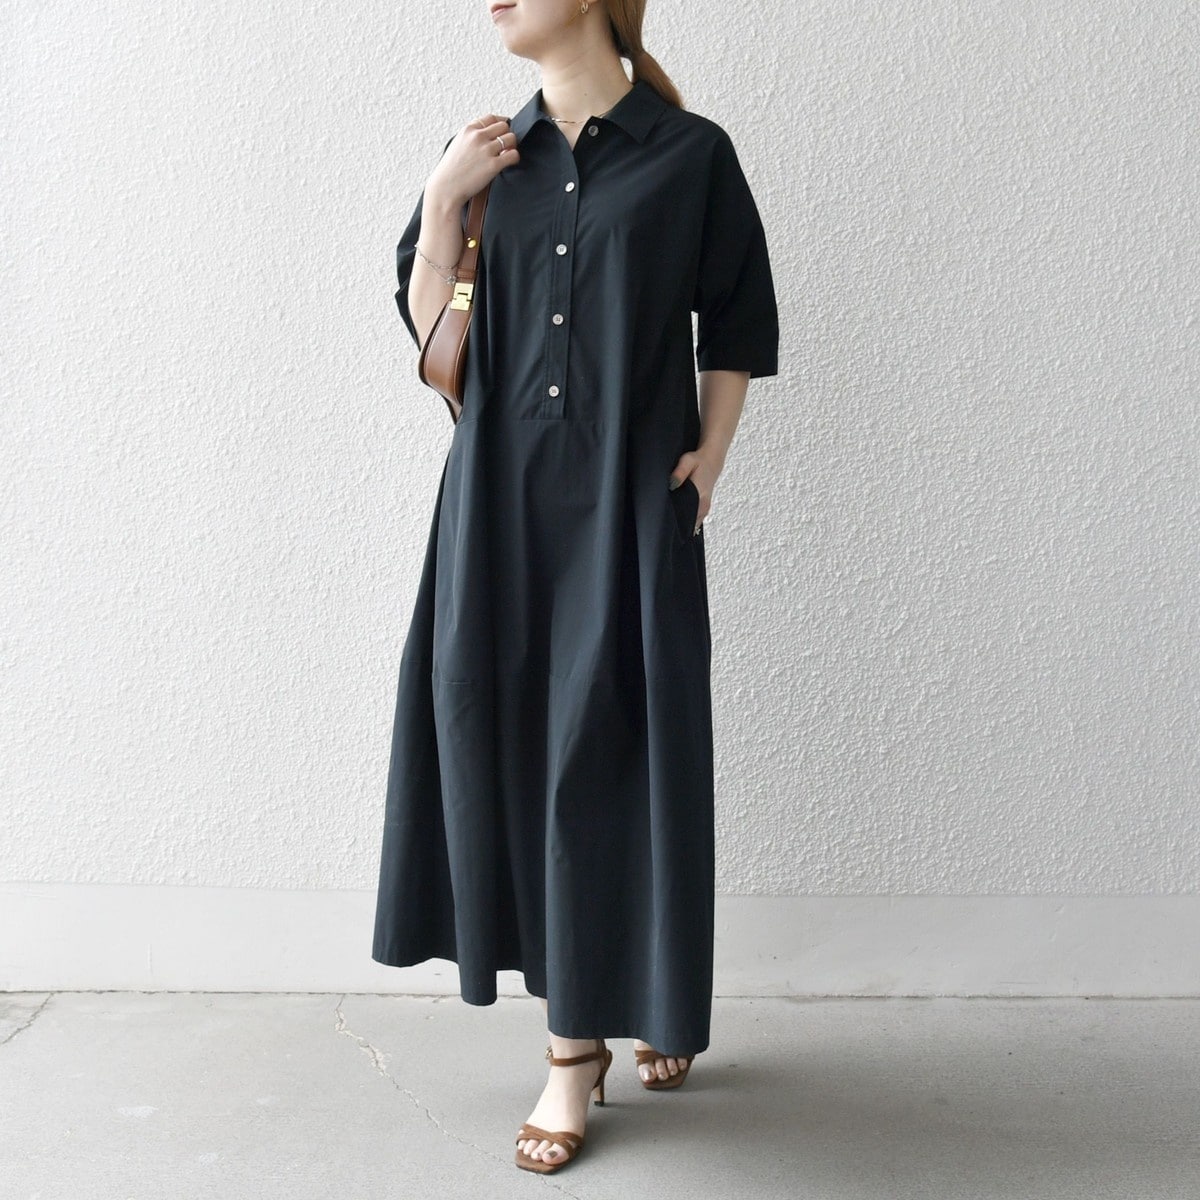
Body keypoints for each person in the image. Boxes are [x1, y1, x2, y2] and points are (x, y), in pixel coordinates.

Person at [372, 0, 779, 1175]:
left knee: (622, 751)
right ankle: (581, 1039)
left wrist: (711, 456)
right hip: (498, 506)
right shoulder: (484, 155)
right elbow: (437, 351)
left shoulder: (690, 155)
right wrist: (444, 202)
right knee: (508, 743)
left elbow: (736, 319)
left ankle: (617, 1020)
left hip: (629, 501)